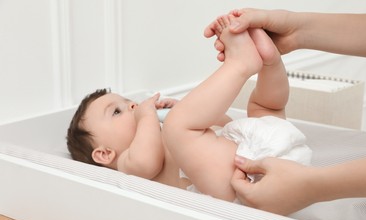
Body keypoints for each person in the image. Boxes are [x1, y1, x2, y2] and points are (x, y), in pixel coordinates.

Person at [67, 14, 311, 202]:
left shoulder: (164, 132)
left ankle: (270, 61)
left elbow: (223, 125)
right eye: (117, 111)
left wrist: (183, 110)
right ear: (104, 153)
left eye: (127, 101)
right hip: (241, 186)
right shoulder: (126, 162)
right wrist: (150, 118)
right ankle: (243, 64)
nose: (133, 105)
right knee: (180, 126)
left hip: (258, 158)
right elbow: (148, 162)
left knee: (262, 109)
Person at [204, 8, 366, 215]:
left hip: (257, 171)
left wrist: (312, 185)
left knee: (263, 111)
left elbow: (177, 137)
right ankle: (268, 61)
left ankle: (251, 64)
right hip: (271, 162)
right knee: (262, 110)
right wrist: (295, 32)